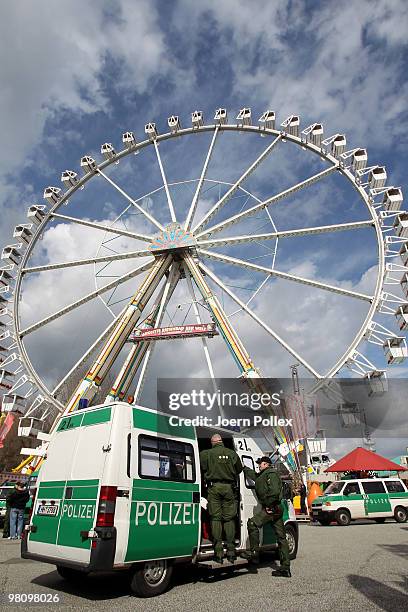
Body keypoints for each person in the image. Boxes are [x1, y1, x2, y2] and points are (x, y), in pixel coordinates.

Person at [241, 456, 291, 577]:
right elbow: (254, 476)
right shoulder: (262, 475)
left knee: (252, 523)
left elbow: (274, 491)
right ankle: (285, 568)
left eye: (260, 463)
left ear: (266, 464)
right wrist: (243, 467)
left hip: (272, 508)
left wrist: (269, 504)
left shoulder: (271, 474)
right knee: (281, 537)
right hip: (275, 508)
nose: (259, 465)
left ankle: (254, 553)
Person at [200, 434, 243, 564]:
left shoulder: (205, 453)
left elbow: (201, 468)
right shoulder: (232, 453)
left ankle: (218, 553)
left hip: (214, 488)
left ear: (212, 442)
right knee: (229, 519)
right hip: (229, 488)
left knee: (215, 518)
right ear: (221, 441)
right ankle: (231, 552)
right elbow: (239, 469)